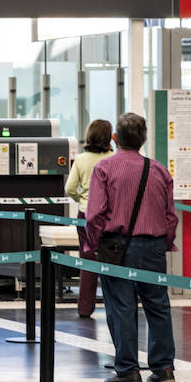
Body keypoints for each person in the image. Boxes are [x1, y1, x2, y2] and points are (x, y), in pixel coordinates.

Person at [85, 113, 178, 382]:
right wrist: (163, 242)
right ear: (144, 138)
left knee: (121, 308)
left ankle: (128, 371)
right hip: (153, 246)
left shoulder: (104, 168)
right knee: (158, 306)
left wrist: (93, 244)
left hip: (116, 246)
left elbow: (95, 214)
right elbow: (171, 216)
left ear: (116, 139)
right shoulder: (159, 170)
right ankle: (163, 369)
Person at [66, 119, 114, 318]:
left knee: (87, 262)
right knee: (112, 261)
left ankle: (85, 308)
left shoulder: (81, 159)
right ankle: (114, 306)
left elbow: (69, 188)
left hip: (86, 216)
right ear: (109, 137)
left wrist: (82, 199)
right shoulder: (114, 159)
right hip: (109, 217)